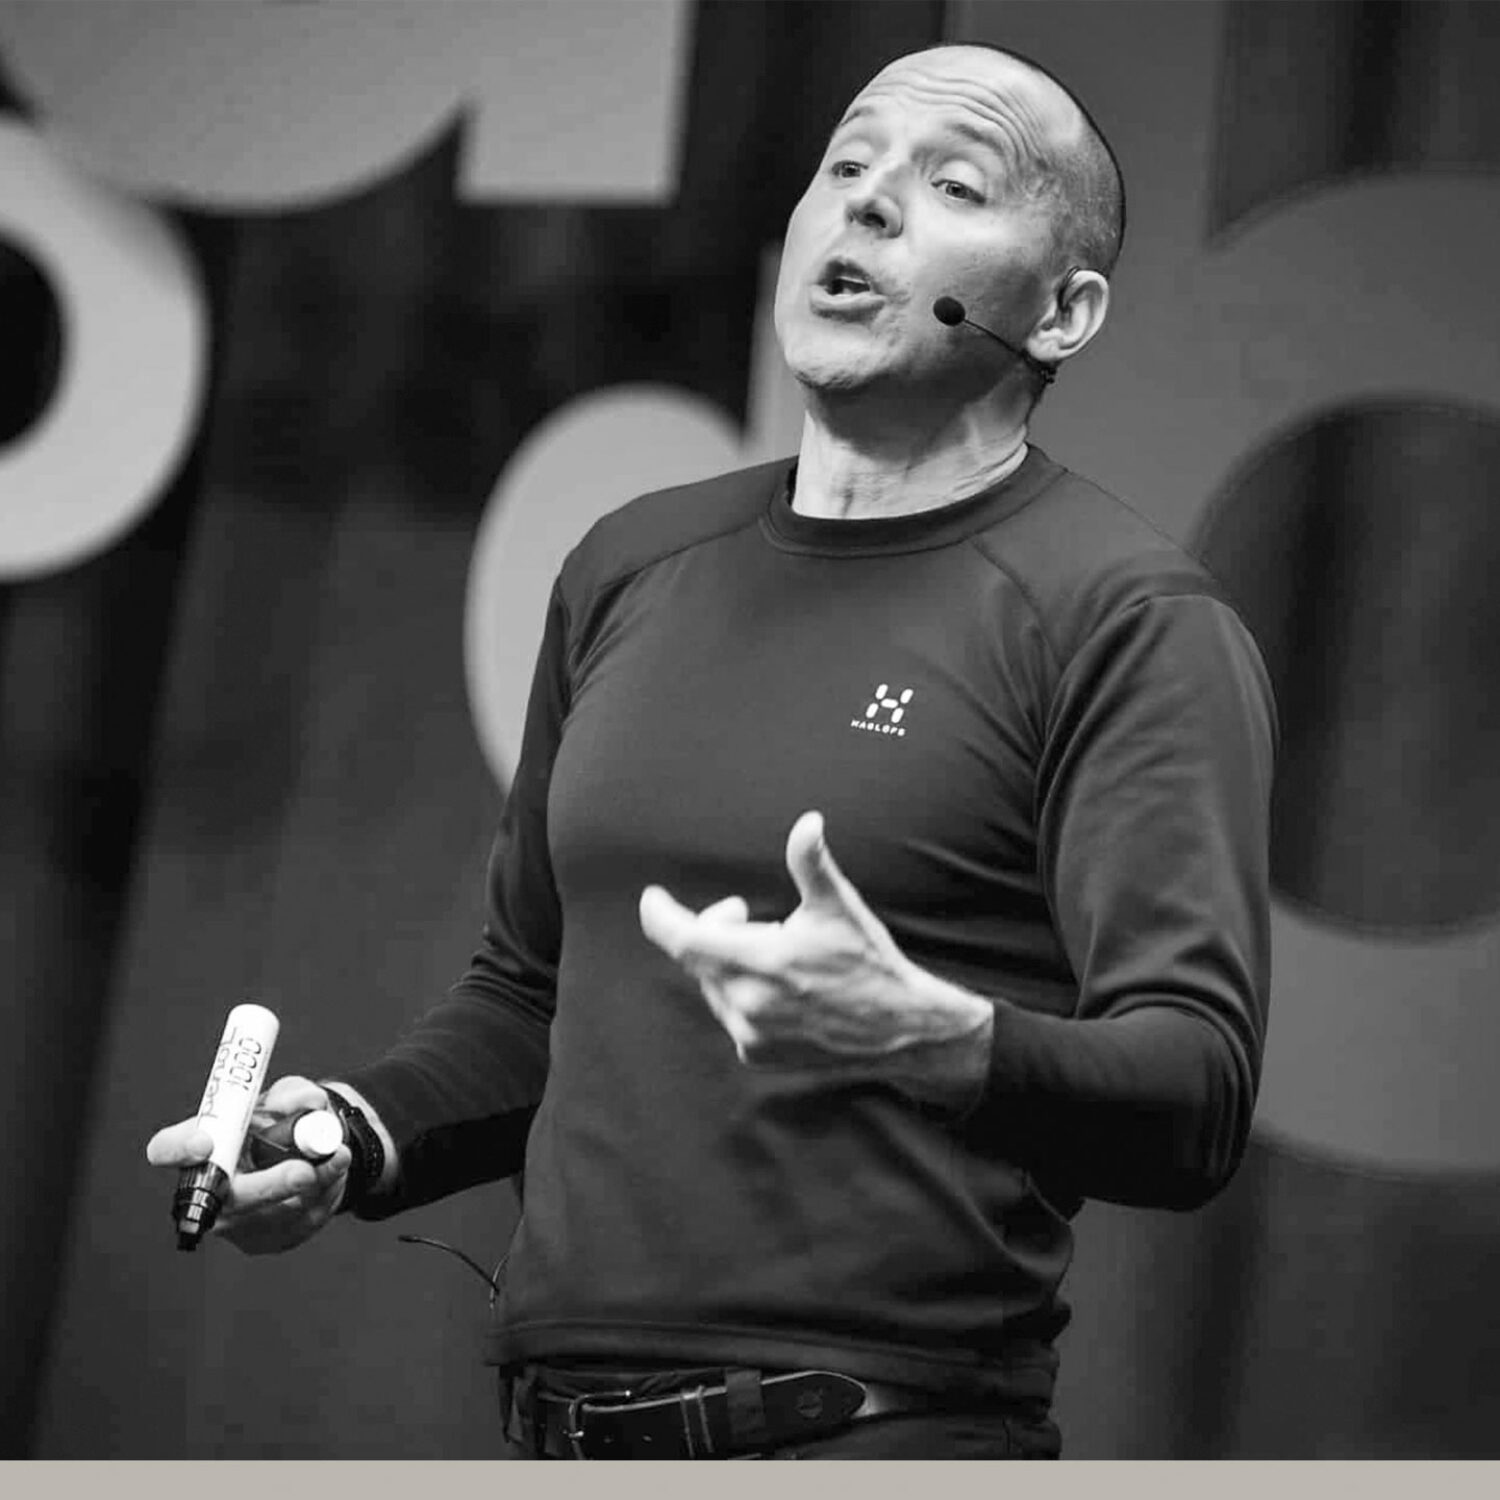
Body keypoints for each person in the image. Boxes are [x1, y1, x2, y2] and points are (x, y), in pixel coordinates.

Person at [148, 42, 1275, 1459]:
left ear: (1062, 310)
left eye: (952, 184)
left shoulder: (1125, 617)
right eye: (846, 164)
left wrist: (936, 1037)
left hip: (883, 1437)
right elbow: (531, 995)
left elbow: (1194, 1093)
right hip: (555, 1439)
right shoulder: (633, 562)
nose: (867, 203)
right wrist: (349, 1136)